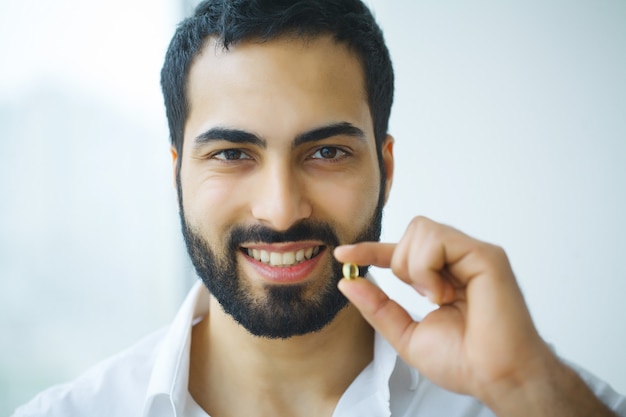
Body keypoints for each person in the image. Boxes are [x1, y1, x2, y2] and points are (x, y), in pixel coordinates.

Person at [13, 0, 626, 416]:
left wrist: (530, 390)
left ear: (385, 168)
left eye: (327, 151)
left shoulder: (538, 399)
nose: (280, 211)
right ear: (177, 173)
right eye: (231, 154)